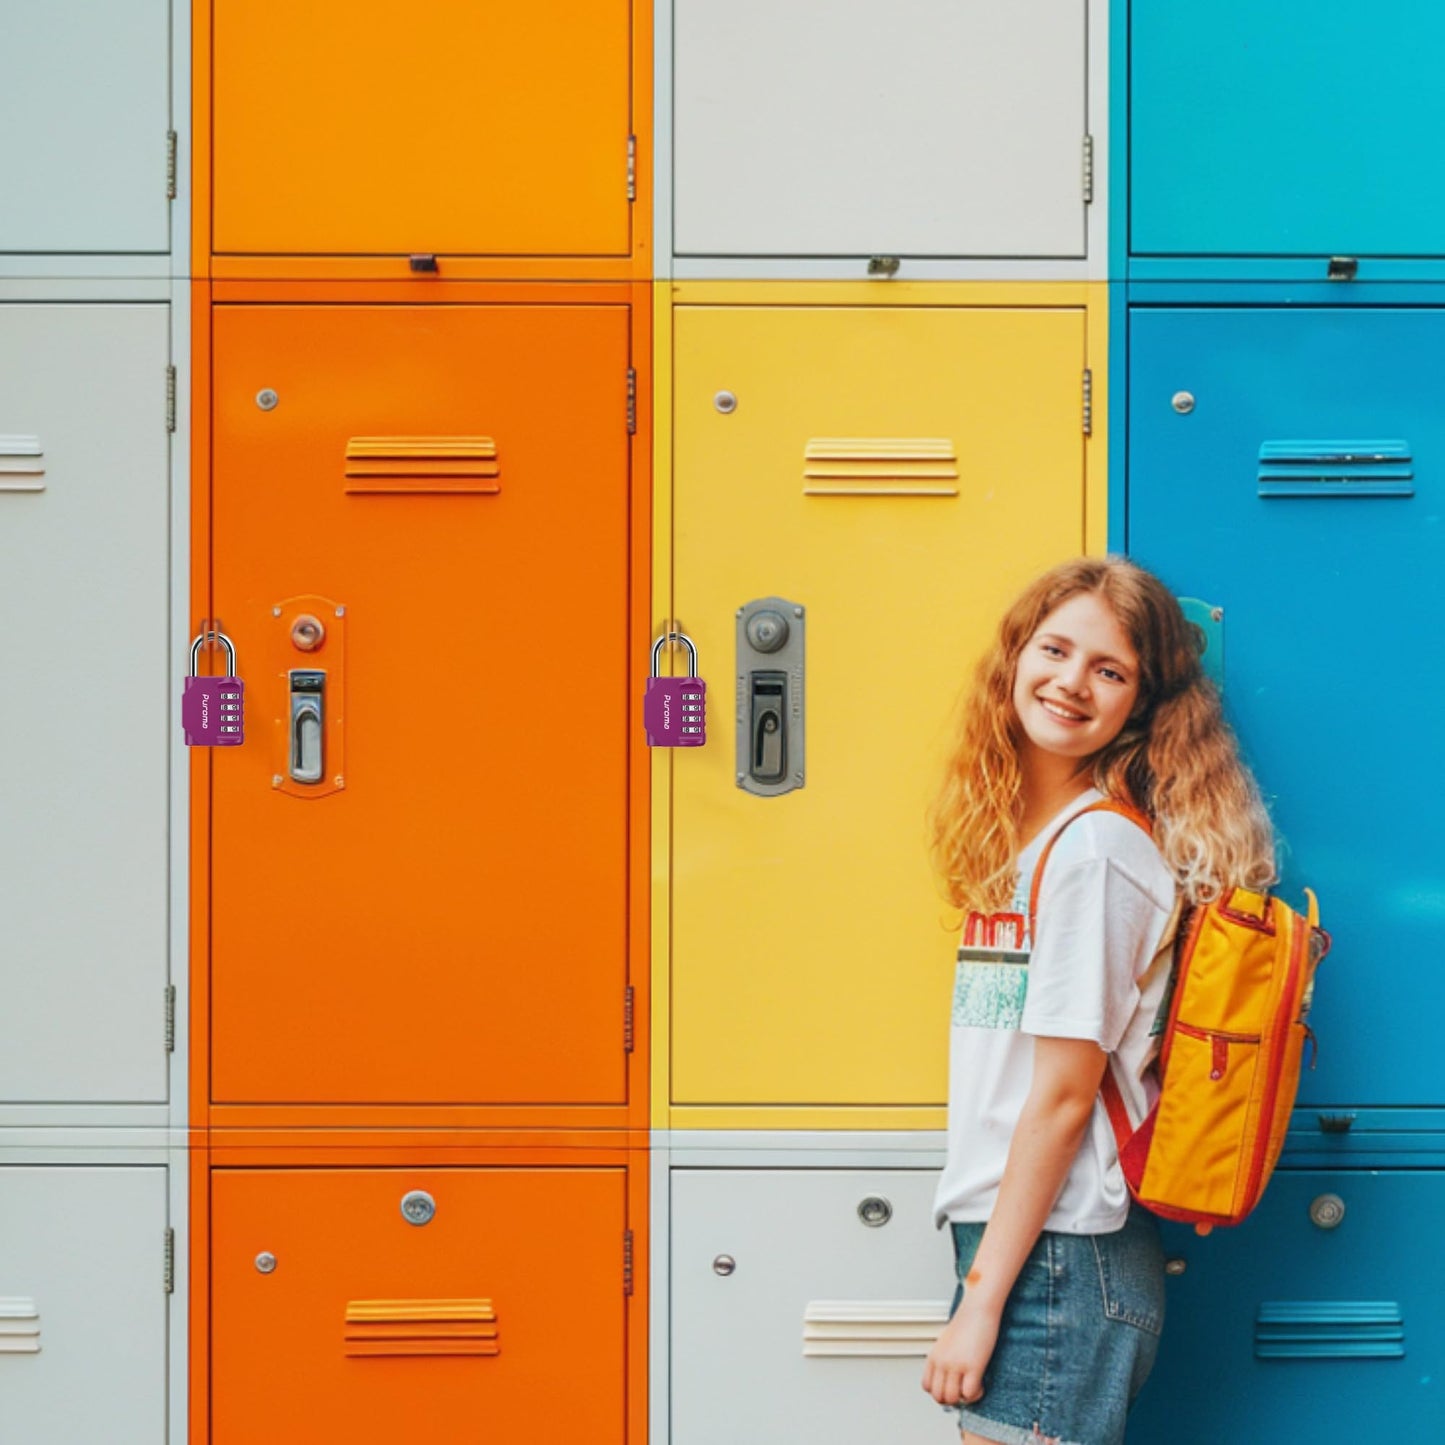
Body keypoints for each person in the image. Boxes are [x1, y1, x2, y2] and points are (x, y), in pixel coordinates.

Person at [921, 557, 1276, 1445]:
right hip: (1029, 1246)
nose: (1071, 682)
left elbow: (1064, 1093)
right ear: (1014, 658)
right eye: (1055, 650)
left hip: (1057, 1260)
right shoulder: (1039, 848)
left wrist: (982, 1300)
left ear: (1140, 704)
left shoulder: (1095, 855)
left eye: (1108, 670)